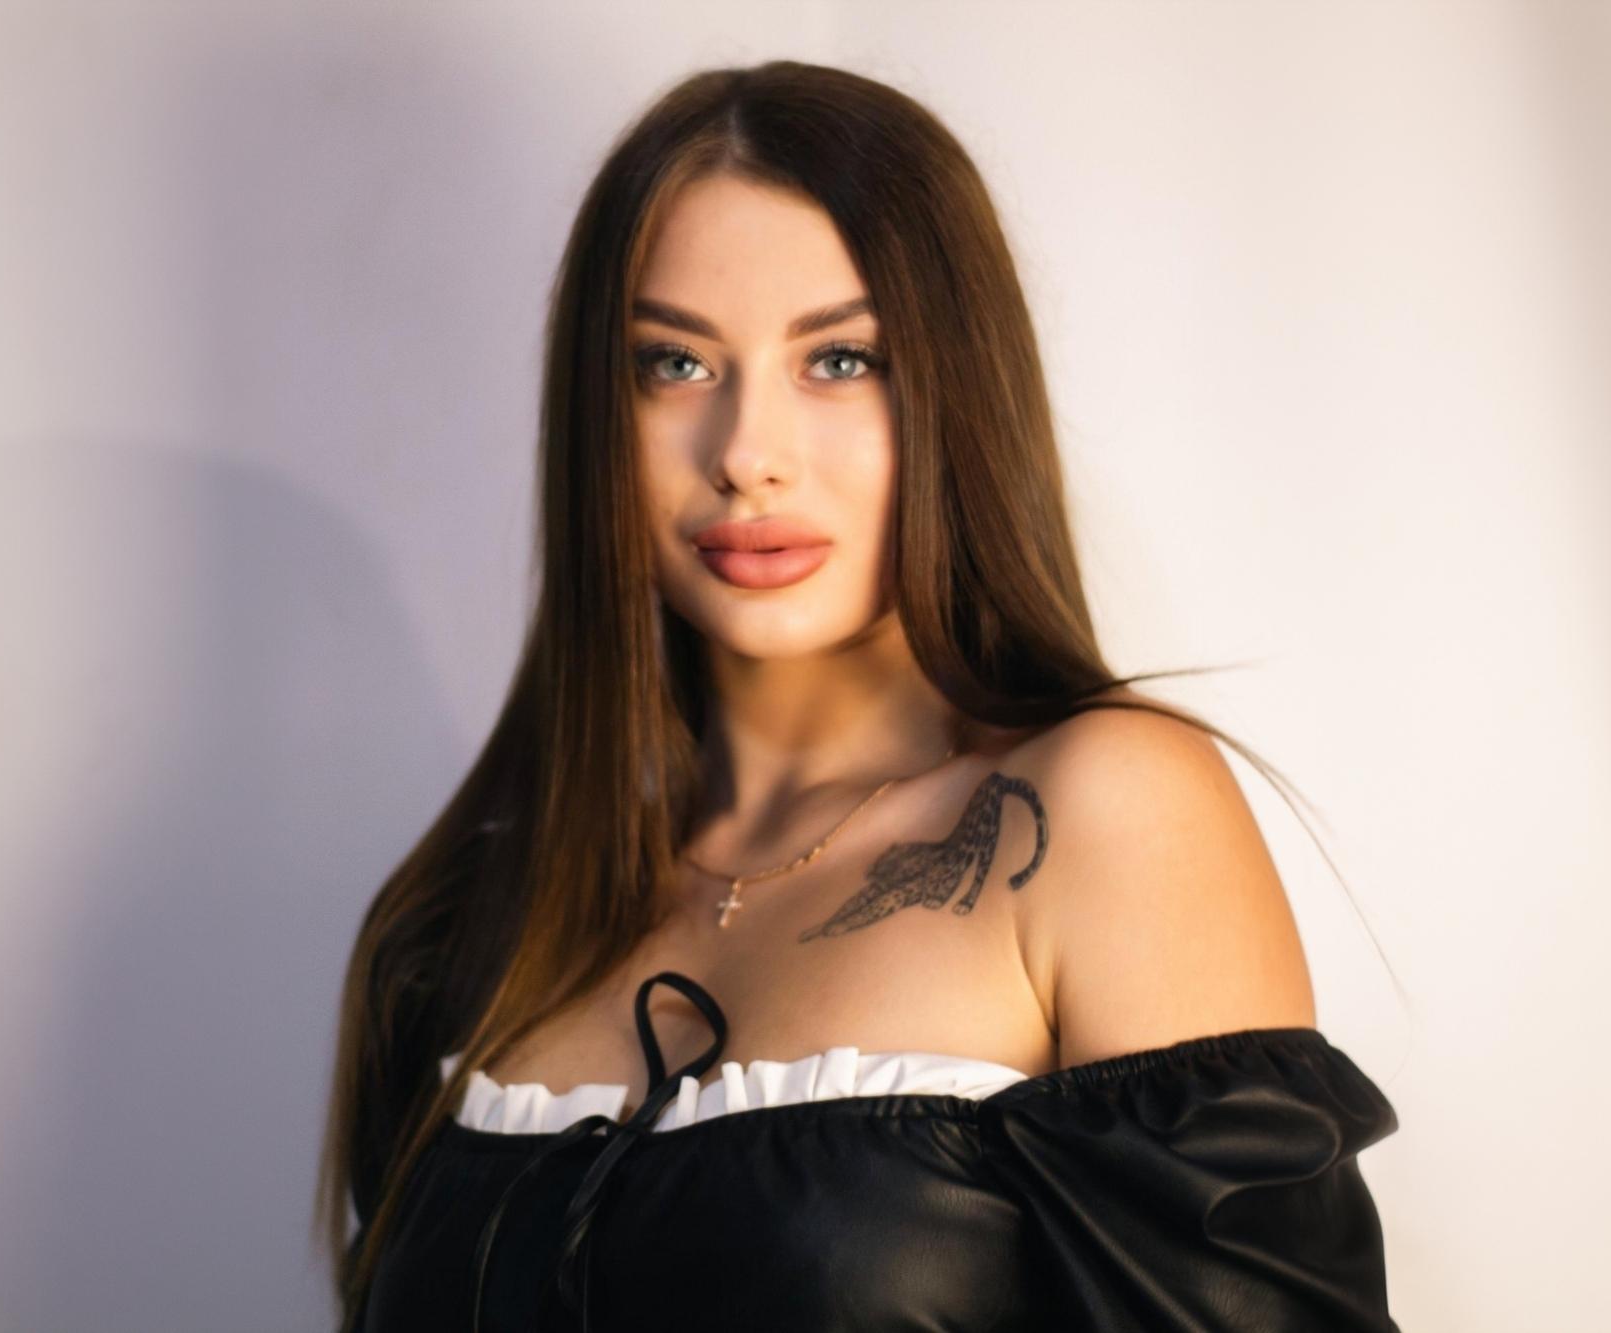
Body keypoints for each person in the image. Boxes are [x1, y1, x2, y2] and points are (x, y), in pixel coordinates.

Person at [315, 59, 1401, 1332]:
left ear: (955, 386)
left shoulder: (1099, 812)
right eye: (672, 364)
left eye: (838, 359)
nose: (745, 456)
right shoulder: (469, 917)